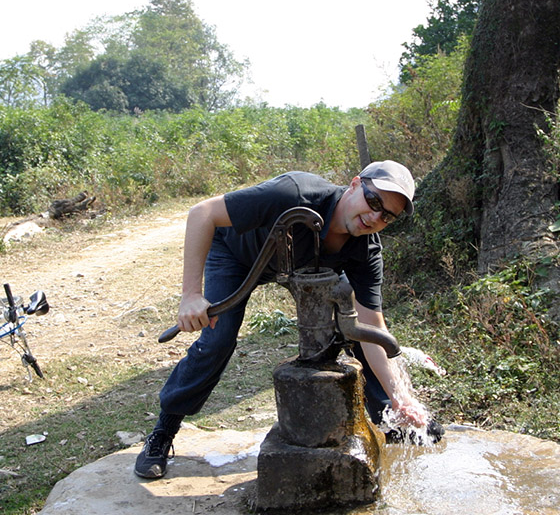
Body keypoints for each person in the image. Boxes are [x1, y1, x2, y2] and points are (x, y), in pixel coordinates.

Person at [135, 161, 435, 479]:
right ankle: (163, 432)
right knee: (218, 339)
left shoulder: (365, 250)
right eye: (374, 201)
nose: (375, 217)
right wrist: (191, 295)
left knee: (353, 332)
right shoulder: (293, 194)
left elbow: (372, 327)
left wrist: (402, 395)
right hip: (235, 253)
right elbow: (202, 213)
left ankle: (393, 417)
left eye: (387, 216)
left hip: (298, 266)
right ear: (355, 184)